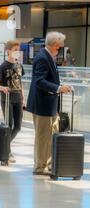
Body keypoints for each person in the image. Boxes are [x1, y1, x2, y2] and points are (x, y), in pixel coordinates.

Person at [26, 32, 72, 176]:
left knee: (50, 135)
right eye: (59, 48)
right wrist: (58, 88)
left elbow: (47, 79)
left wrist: (60, 86)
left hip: (49, 104)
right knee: (43, 137)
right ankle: (40, 167)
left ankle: (48, 164)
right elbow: (39, 81)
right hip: (42, 105)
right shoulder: (42, 58)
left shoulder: (47, 57)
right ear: (54, 45)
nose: (59, 51)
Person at [0, 40, 25, 164]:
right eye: (15, 50)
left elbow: (19, 82)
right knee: (9, 126)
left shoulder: (19, 66)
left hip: (18, 99)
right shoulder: (3, 66)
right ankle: (7, 151)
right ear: (8, 51)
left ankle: (3, 147)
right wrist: (3, 88)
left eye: (18, 50)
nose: (17, 52)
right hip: (7, 99)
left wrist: (23, 98)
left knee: (17, 127)